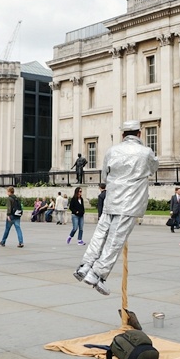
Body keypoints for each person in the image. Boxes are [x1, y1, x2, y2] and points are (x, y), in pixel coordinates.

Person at [74, 120, 159, 295]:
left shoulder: (112, 151)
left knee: (100, 234)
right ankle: (98, 274)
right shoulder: (146, 153)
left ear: (122, 135)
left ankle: (85, 265)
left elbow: (105, 175)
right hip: (130, 202)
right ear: (139, 133)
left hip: (112, 199)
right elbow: (153, 168)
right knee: (115, 240)